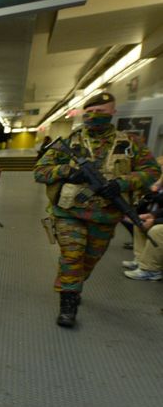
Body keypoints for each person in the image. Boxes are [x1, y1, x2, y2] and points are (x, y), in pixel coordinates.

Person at [34, 92, 160, 327]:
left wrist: (122, 183)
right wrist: (68, 172)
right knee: (72, 256)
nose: (95, 116)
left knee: (89, 260)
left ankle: (74, 286)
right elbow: (40, 171)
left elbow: (151, 171)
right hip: (68, 213)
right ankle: (68, 304)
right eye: (90, 112)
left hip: (106, 214)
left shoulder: (130, 143)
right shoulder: (69, 142)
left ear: (113, 112)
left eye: (101, 112)